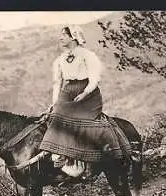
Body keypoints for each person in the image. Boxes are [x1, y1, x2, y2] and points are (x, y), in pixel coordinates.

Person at [39, 25, 130, 177]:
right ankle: (61, 155)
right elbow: (57, 83)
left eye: (64, 35)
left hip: (88, 94)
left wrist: (85, 93)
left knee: (80, 121)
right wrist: (56, 102)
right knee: (55, 116)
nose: (61, 38)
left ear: (73, 36)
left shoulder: (88, 55)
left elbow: (94, 78)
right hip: (67, 92)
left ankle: (88, 159)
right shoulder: (60, 60)